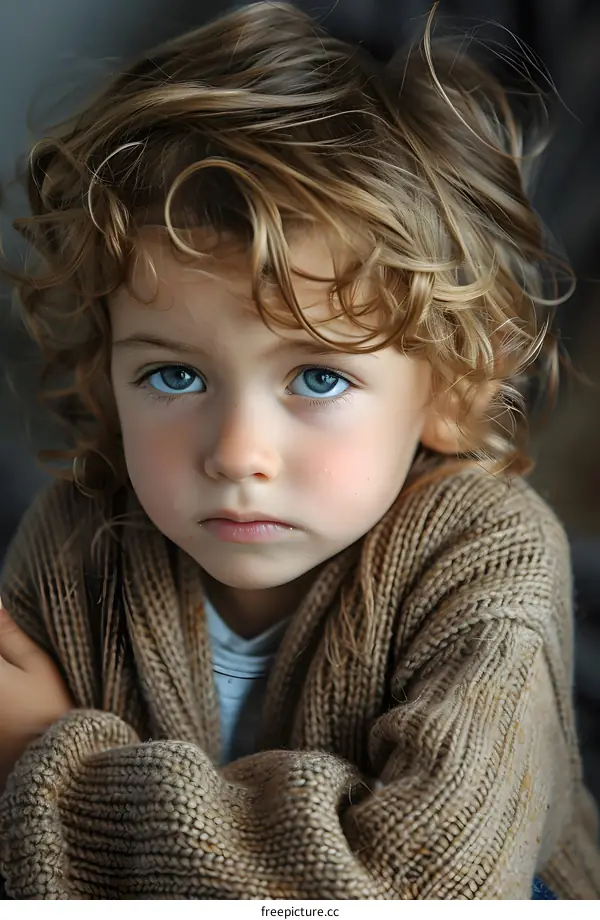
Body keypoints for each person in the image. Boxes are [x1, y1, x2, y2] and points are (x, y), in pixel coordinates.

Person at [0, 0, 599, 900]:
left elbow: (426, 887)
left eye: (317, 379)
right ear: (106, 375)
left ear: (447, 392)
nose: (238, 454)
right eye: (172, 378)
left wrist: (49, 769)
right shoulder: (79, 539)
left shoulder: (488, 559)